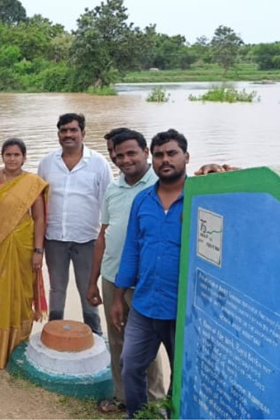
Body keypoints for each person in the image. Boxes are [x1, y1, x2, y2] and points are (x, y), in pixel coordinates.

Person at [85, 129, 166, 413]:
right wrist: (93, 281)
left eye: (131, 153)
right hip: (112, 278)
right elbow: (103, 236)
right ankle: (123, 397)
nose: (124, 160)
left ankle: (155, 405)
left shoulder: (162, 183)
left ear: (145, 152)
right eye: (118, 155)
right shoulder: (113, 189)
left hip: (147, 282)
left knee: (148, 348)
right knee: (117, 341)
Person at [113, 129, 188, 419]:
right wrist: (119, 297)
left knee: (180, 373)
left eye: (172, 153)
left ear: (186, 157)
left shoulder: (202, 198)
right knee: (130, 366)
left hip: (182, 310)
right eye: (159, 155)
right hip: (144, 306)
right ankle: (138, 416)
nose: (165, 160)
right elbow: (131, 251)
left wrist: (223, 173)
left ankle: (171, 415)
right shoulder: (142, 200)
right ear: (151, 158)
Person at [0, 138, 48, 369]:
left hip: (24, 248)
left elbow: (39, 218)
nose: (12, 159)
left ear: (24, 157)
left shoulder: (32, 183)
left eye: (17, 155)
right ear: (2, 156)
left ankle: (17, 345)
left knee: (21, 295)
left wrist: (38, 250)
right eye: (8, 155)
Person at [37, 113, 112, 335]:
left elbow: (107, 203)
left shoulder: (98, 163)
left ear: (83, 133)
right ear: (58, 134)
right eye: (64, 130)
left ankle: (95, 336)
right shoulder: (47, 163)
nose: (68, 135)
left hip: (87, 239)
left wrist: (104, 238)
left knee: (87, 289)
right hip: (54, 239)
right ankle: (53, 332)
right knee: (57, 289)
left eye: (73, 130)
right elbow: (39, 202)